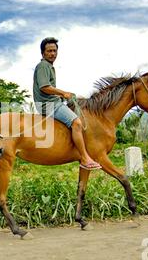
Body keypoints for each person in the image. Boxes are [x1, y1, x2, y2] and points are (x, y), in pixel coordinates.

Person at [33, 37, 101, 170]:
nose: (52, 53)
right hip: (48, 104)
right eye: (49, 51)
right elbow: (44, 87)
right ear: (43, 53)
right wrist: (63, 93)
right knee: (76, 123)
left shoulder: (50, 67)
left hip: (52, 102)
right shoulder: (43, 66)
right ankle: (84, 158)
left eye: (54, 51)